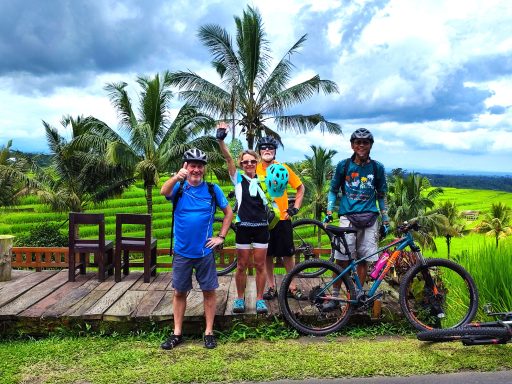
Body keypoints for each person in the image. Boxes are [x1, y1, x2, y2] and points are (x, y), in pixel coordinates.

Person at [160, 148, 233, 350]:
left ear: (204, 168)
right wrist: (176, 177)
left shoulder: (212, 189)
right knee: (179, 292)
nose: (196, 170)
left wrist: (221, 237)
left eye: (200, 166)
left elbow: (229, 213)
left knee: (209, 291)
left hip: (204, 252)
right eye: (192, 165)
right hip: (182, 251)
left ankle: (208, 332)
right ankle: (177, 333)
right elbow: (163, 192)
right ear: (186, 166)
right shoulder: (179, 187)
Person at [323, 128, 389, 311]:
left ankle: (357, 297)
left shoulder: (377, 168)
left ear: (371, 145)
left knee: (363, 259)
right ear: (352, 145)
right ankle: (334, 297)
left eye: (365, 142)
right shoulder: (343, 166)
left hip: (370, 217)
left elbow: (381, 195)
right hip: (348, 217)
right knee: (342, 258)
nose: (361, 145)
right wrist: (329, 212)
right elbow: (333, 190)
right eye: (358, 142)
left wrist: (386, 221)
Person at [216, 127, 269, 314]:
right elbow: (228, 159)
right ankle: (240, 298)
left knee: (261, 265)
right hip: (244, 226)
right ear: (241, 163)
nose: (249, 164)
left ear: (257, 162)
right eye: (245, 161)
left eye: (252, 161)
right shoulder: (237, 179)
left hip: (262, 226)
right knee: (241, 265)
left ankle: (260, 299)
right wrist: (221, 140)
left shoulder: (264, 180)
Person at [255, 136, 306, 300]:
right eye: (264, 147)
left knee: (287, 255)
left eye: (270, 147)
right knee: (267, 255)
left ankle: (292, 286)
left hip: (283, 218)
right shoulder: (255, 169)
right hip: (264, 221)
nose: (267, 150)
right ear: (259, 151)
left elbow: (300, 188)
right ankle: (271, 287)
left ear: (275, 151)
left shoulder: (282, 168)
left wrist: (296, 207)